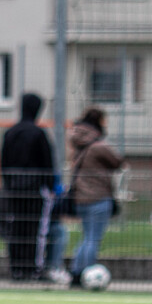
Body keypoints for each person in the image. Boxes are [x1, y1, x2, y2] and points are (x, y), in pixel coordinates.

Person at [0, 93, 56, 281]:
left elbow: (3, 163)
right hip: (34, 189)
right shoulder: (39, 134)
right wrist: (50, 187)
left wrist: (7, 185)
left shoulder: (10, 133)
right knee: (34, 229)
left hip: (14, 189)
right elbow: (47, 163)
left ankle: (16, 268)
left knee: (16, 228)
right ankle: (33, 269)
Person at [67, 107, 124, 288]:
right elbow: (118, 162)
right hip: (98, 197)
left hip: (80, 198)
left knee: (86, 237)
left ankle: (76, 272)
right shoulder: (98, 146)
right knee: (93, 238)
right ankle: (86, 273)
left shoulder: (78, 143)